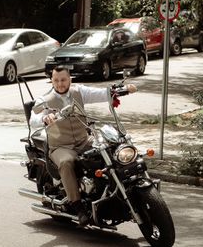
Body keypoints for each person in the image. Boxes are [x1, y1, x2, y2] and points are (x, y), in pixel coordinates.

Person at [30, 66, 137, 226]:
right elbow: (34, 118)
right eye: (56, 80)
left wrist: (123, 89)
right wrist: (44, 119)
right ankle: (78, 206)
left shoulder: (79, 92)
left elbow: (101, 93)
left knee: (108, 148)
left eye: (63, 80)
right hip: (61, 146)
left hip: (83, 140)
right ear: (52, 80)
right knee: (67, 162)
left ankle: (112, 189)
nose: (60, 84)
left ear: (70, 79)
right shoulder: (45, 100)